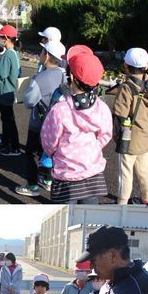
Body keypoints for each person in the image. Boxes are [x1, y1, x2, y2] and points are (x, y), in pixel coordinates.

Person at [40, 46, 113, 203]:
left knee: (64, 220)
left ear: (71, 78)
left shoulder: (60, 110)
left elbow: (48, 141)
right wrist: (93, 147)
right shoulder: (102, 107)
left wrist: (56, 153)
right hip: (92, 173)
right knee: (87, 220)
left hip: (66, 173)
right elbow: (106, 135)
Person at [109, 46, 148, 206]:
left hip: (129, 137)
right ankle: (147, 199)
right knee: (145, 170)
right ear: (146, 67)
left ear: (125, 66)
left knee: (126, 172)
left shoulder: (127, 88)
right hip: (146, 136)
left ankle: (122, 202)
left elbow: (119, 114)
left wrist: (116, 135)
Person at [16, 38, 65, 197]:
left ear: (47, 56)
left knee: (31, 153)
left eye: (43, 51)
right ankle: (48, 181)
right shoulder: (64, 75)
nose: (40, 54)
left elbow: (29, 102)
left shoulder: (39, 78)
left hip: (39, 124)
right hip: (59, 124)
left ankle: (32, 187)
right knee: (53, 154)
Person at [0, 24, 21, 157]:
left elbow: (0, 76)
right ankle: (9, 146)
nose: (0, 39)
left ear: (7, 38)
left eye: (2, 37)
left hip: (4, 92)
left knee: (8, 121)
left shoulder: (7, 55)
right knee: (9, 119)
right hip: (11, 91)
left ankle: (12, 147)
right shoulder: (15, 53)